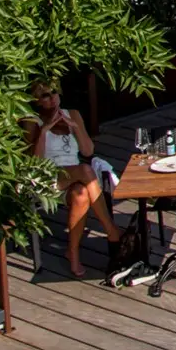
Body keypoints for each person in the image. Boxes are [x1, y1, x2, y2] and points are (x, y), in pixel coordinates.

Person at [23, 80, 120, 279]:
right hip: (46, 176)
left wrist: (75, 127)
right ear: (37, 101)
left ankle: (72, 252)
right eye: (45, 96)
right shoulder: (32, 121)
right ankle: (111, 230)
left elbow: (87, 150)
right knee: (85, 170)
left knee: (81, 194)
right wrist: (44, 131)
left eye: (54, 93)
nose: (52, 99)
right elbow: (35, 163)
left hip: (73, 176)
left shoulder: (72, 114)